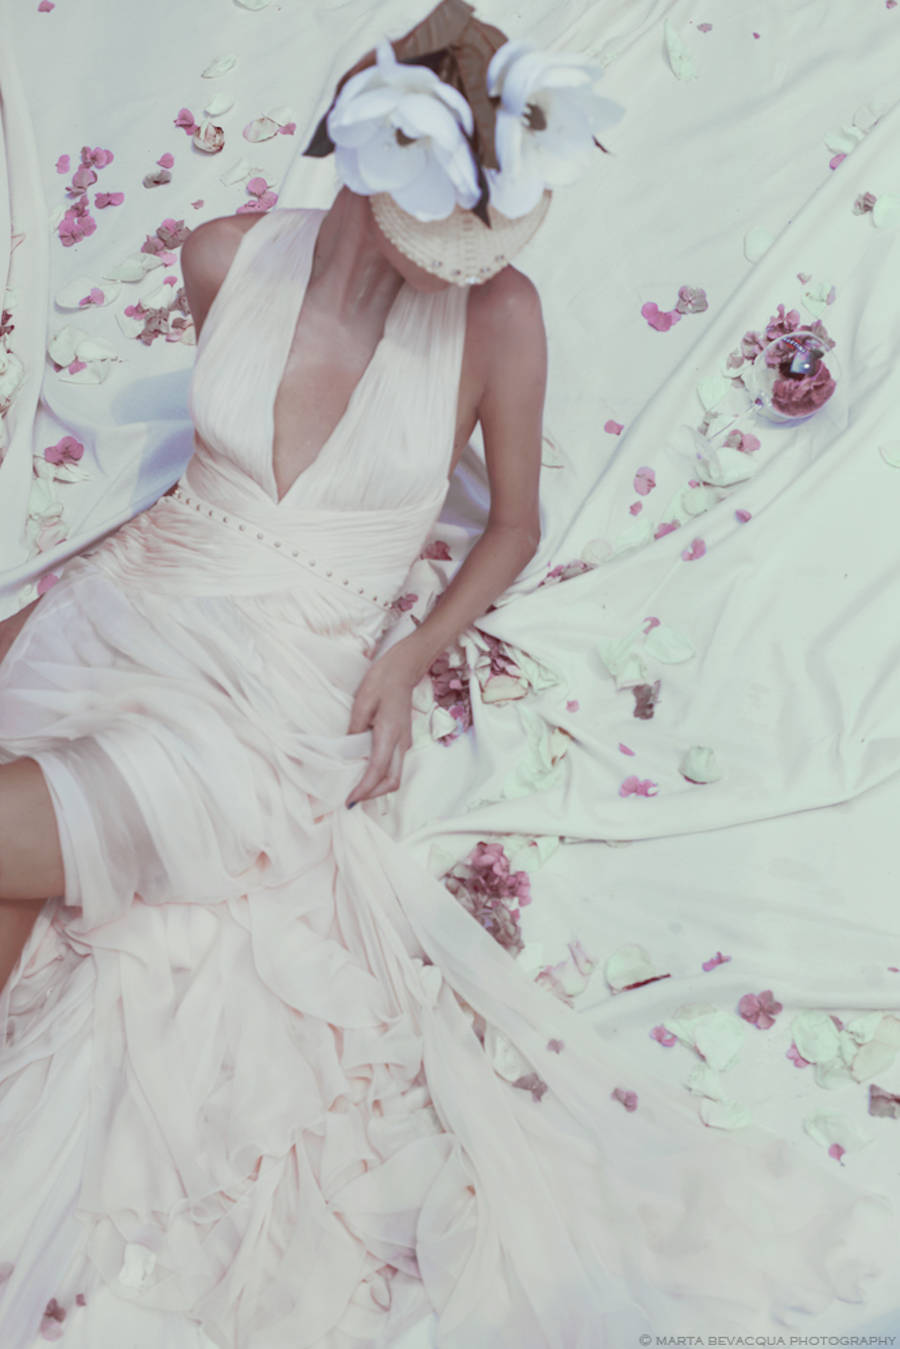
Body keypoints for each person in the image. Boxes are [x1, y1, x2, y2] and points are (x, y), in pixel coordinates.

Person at [0, 6, 891, 1347]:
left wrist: (413, 654)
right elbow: (208, 490)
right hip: (132, 610)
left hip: (277, 699)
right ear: (361, 162)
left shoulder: (499, 317)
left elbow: (513, 523)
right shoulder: (223, 254)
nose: (449, 257)